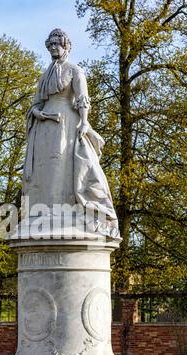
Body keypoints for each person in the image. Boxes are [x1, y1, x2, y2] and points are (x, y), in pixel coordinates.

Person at [23, 28, 120, 239]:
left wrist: (84, 122)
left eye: (57, 44)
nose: (53, 48)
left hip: (67, 122)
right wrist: (37, 112)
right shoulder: (44, 75)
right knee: (44, 169)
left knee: (63, 166)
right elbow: (36, 103)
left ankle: (67, 213)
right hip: (44, 127)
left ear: (66, 46)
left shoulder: (74, 70)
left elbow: (83, 98)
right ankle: (44, 213)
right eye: (50, 45)